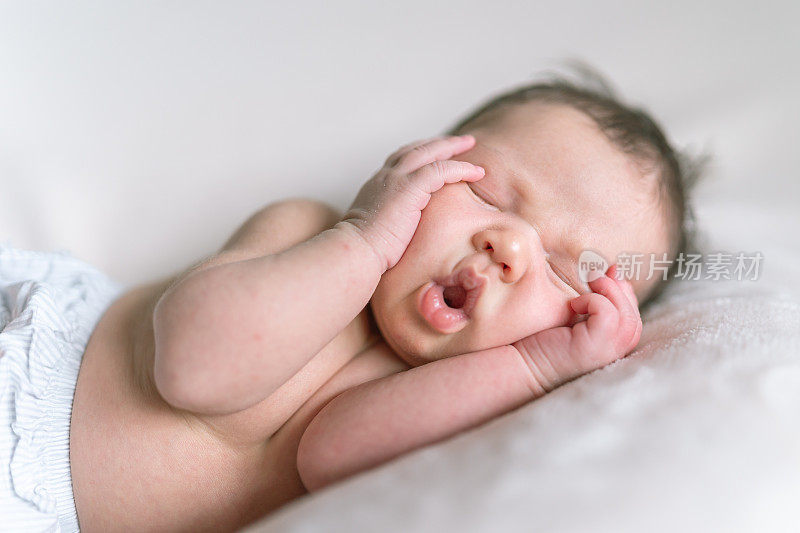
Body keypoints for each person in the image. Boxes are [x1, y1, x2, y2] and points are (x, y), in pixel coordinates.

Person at [0, 69, 696, 532]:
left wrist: (540, 368)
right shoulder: (304, 230)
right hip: (33, 351)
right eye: (488, 192)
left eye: (567, 272)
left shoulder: (442, 394)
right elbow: (191, 364)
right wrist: (363, 240)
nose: (508, 245)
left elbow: (330, 453)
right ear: (417, 163)